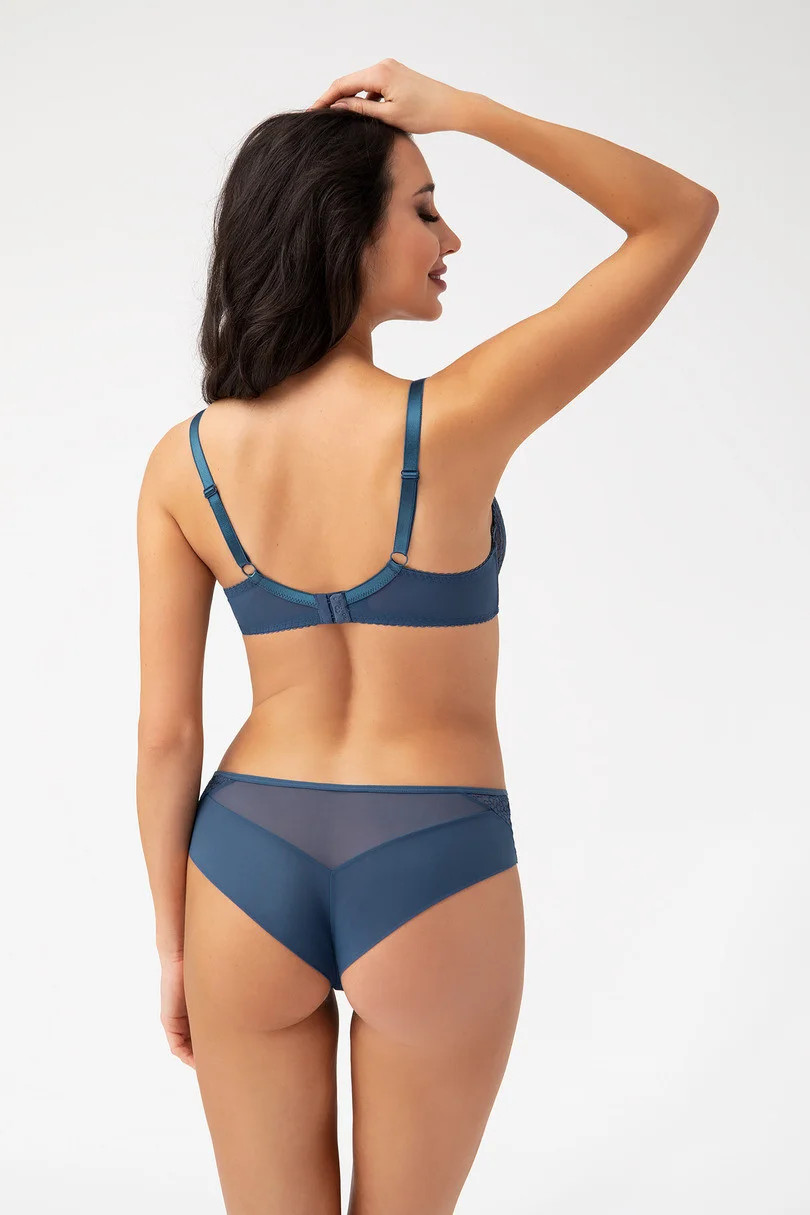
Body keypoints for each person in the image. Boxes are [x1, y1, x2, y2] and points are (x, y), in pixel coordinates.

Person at [136, 58, 718, 1215]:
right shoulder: (453, 424)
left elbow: (166, 736)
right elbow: (677, 216)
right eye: (425, 209)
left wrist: (175, 944)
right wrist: (466, 112)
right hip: (430, 856)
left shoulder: (184, 463)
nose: (451, 240)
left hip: (241, 862)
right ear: (344, 234)